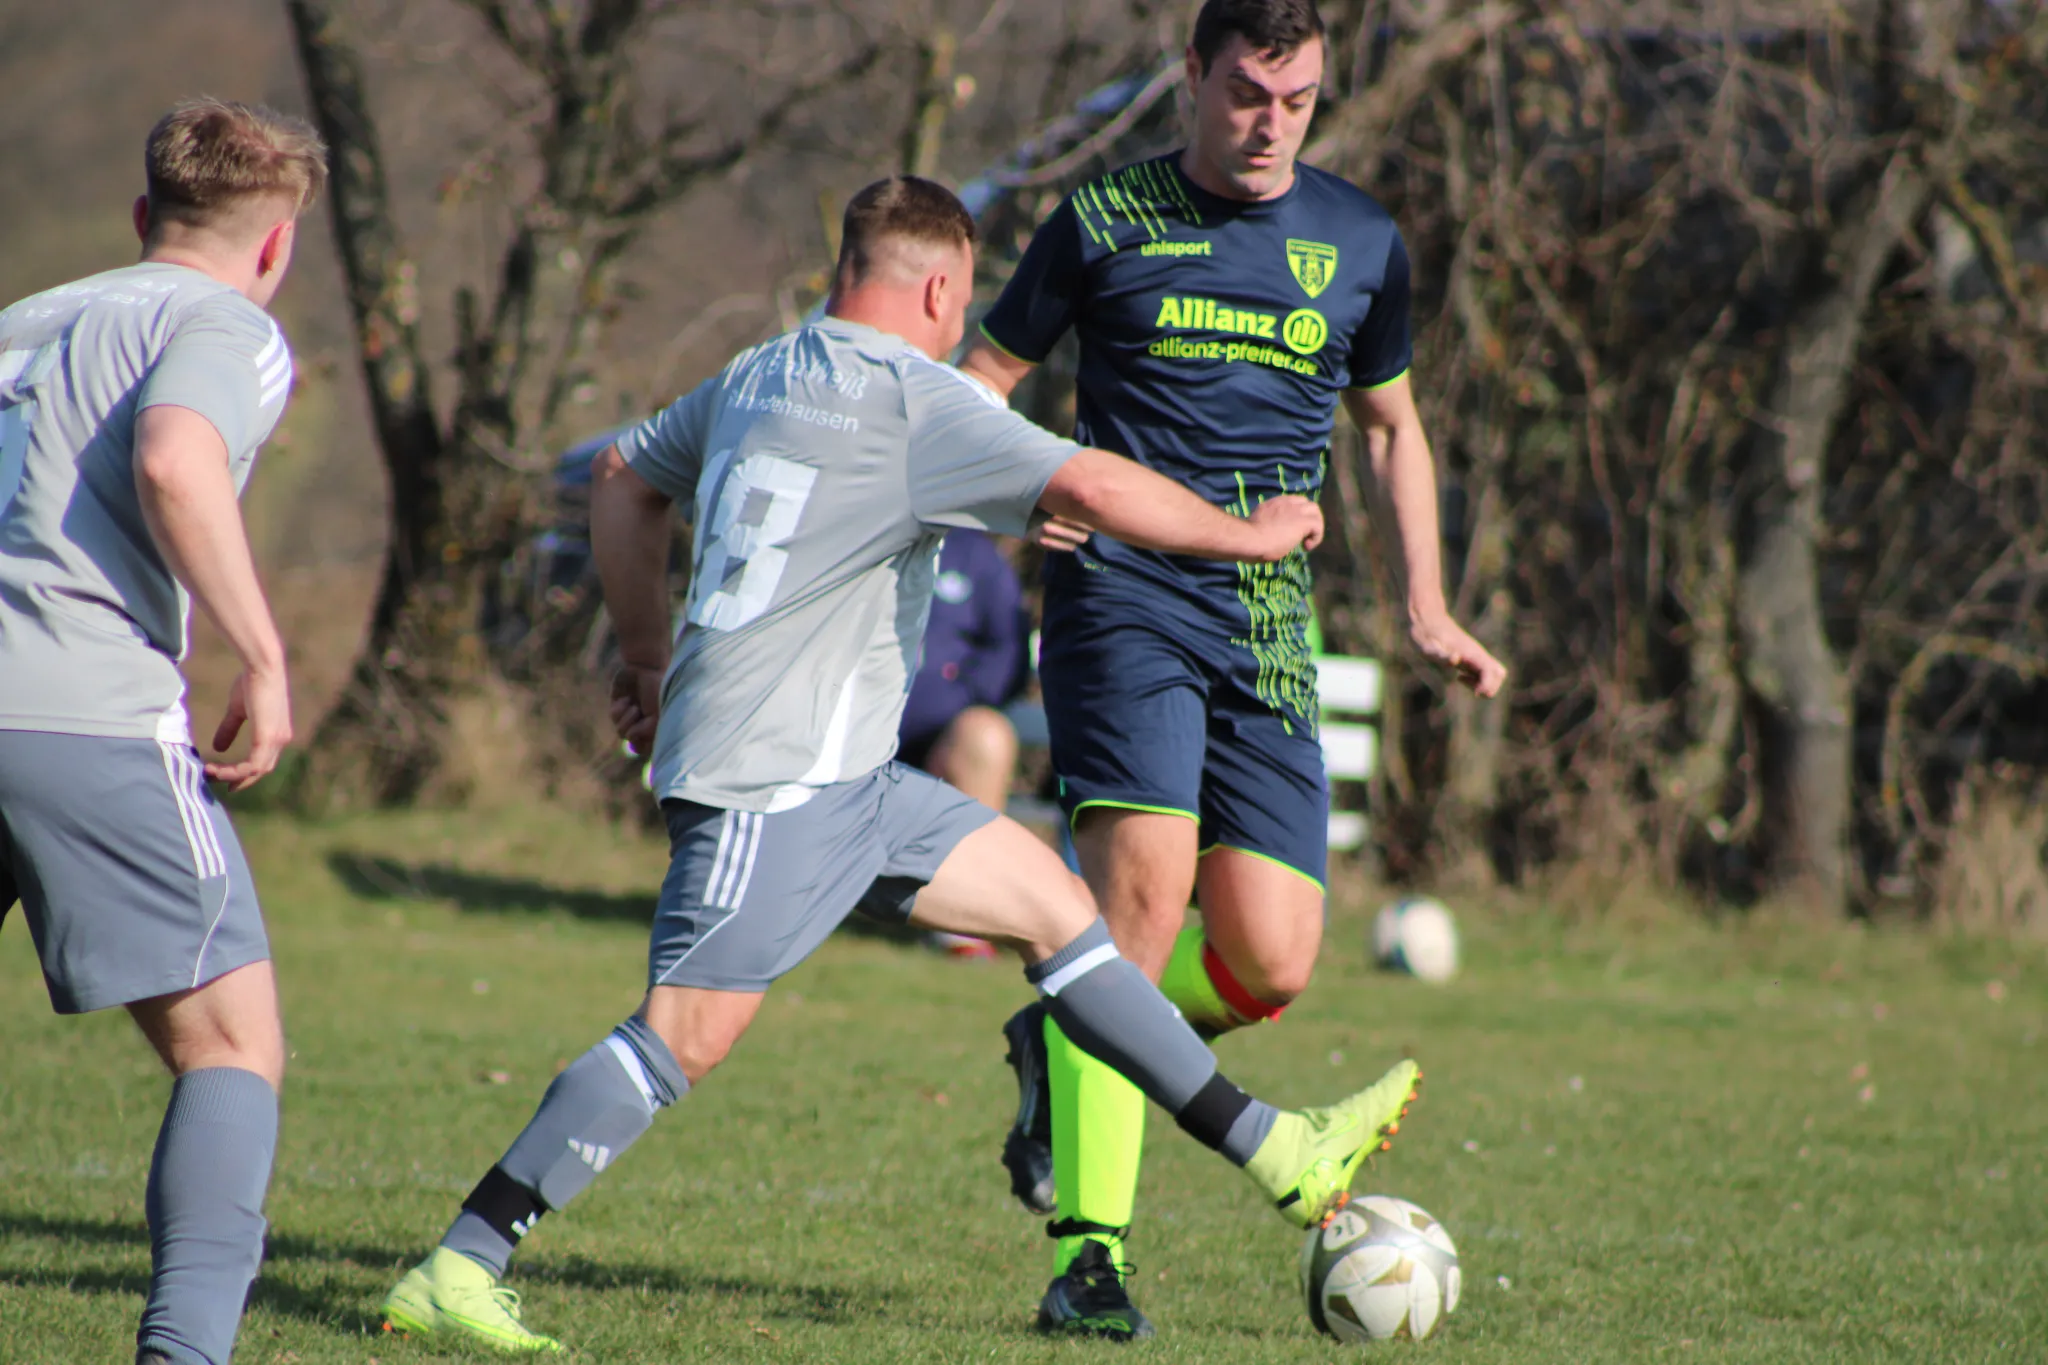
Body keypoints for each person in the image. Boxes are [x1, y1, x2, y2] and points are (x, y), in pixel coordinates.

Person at [376, 174, 1423, 1354]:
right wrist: (1250, 533)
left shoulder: (760, 371)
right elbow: (1087, 480)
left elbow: (623, 479)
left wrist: (644, 653)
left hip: (855, 783)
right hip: (771, 782)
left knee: (1059, 915)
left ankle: (1279, 1152)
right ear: (937, 292)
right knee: (681, 1035)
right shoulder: (914, 397)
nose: (959, 325)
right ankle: (461, 1263)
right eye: (961, 304)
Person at [957, 0, 1508, 1340]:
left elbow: (1392, 431)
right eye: (1248, 95)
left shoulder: (1360, 240)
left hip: (1266, 619)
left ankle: (1067, 1031)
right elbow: (978, 378)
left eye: (1298, 100)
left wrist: (1426, 604)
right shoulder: (1105, 218)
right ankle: (1090, 1263)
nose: (1271, 125)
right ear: (1193, 73)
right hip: (1121, 597)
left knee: (1269, 959)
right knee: (1138, 908)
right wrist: (1021, 491)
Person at [0, 99, 324, 1365]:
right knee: (232, 1044)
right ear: (275, 243)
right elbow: (176, 462)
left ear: (144, 214)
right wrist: (264, 654)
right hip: (77, 713)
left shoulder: (26, 319)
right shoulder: (225, 326)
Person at [897, 526, 1028, 957]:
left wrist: (960, 697)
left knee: (985, 735)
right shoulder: (862, 530)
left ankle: (963, 926)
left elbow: (1007, 652)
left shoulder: (974, 554)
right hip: (841, 725)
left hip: (938, 736)